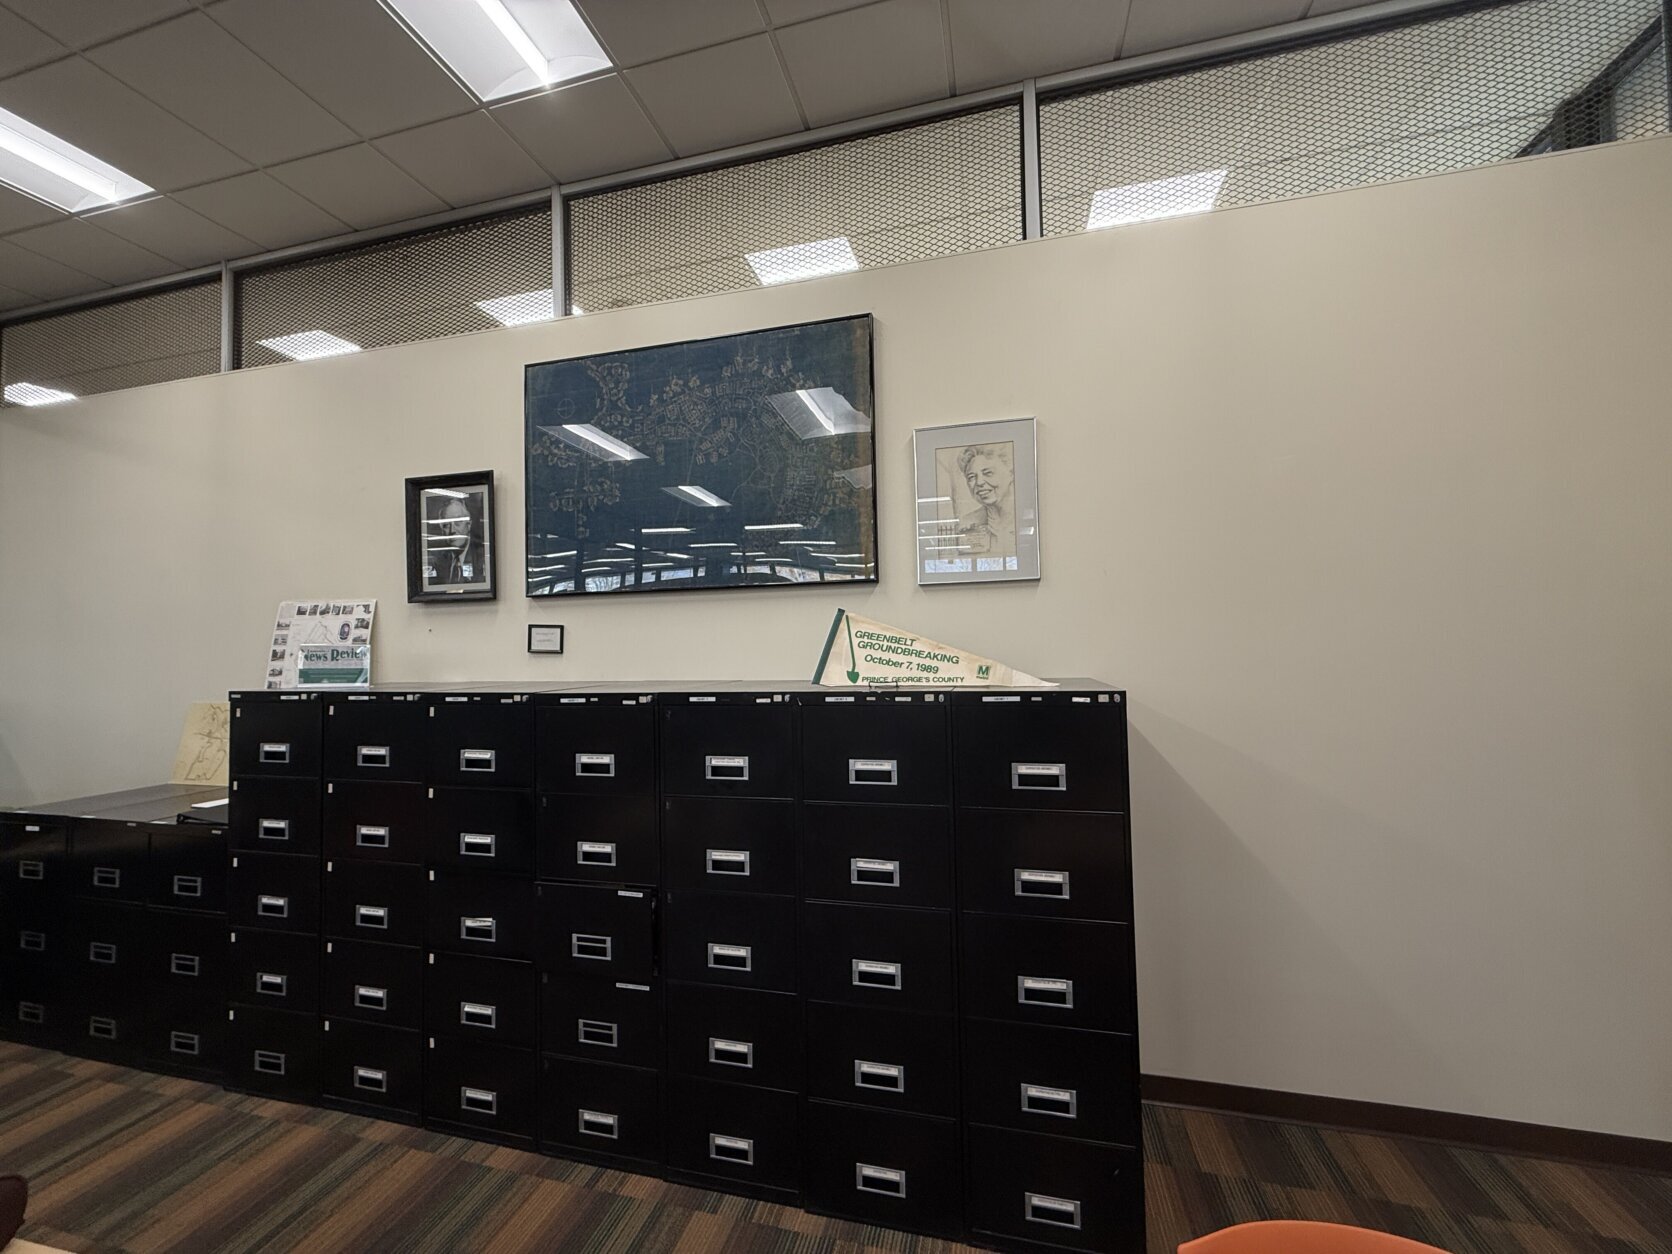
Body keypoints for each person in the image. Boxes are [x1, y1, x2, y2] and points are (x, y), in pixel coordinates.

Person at [955, 443, 1016, 558]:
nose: (979, 482)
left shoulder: (1026, 517)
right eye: (971, 477)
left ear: (1011, 473)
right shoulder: (967, 523)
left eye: (988, 473)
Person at [426, 495, 485, 585]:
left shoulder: (483, 557)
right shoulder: (436, 561)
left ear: (469, 525)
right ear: (442, 530)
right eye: (446, 525)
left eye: (458, 522)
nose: (452, 530)